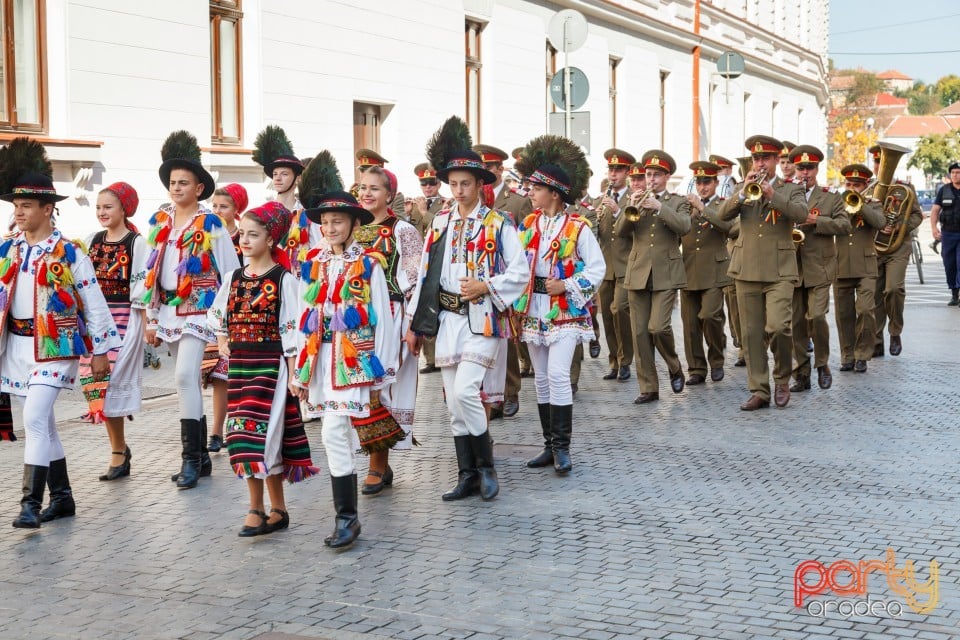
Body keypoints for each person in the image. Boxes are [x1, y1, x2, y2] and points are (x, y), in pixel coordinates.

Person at [405, 116, 527, 502]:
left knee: (466, 390)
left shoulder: (497, 223)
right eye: (453, 184)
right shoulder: (440, 222)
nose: (458, 191)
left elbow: (520, 270)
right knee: (453, 400)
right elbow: (426, 273)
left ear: (479, 185)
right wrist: (415, 324)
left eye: (465, 184)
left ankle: (488, 469)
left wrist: (486, 285)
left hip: (483, 318)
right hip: (447, 319)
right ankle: (467, 473)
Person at [0, 138, 120, 527]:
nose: (18, 213)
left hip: (56, 345)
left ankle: (30, 504)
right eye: (16, 206)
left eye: (26, 206)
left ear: (48, 209)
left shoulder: (70, 252)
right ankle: (63, 498)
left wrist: (100, 349)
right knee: (43, 423)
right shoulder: (9, 250)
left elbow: (94, 300)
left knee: (35, 417)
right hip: (16, 346)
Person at [295, 152, 400, 548]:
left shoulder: (369, 265)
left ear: (355, 224)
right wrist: (299, 368)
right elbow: (305, 312)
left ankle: (346, 518)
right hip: (320, 358)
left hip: (353, 358)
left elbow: (383, 322)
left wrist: (383, 372)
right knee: (329, 434)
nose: (330, 227)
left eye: (338, 220)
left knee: (336, 429)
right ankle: (347, 516)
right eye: (324, 221)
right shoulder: (313, 263)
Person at [208, 201, 319, 537]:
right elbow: (218, 314)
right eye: (242, 233)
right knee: (242, 436)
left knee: (262, 439)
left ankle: (262, 509)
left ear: (271, 239)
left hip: (270, 368)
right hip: (241, 367)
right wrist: (223, 336)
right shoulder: (233, 277)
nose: (244, 240)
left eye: (253, 234)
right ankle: (269, 508)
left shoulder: (284, 280)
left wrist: (295, 376)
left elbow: (292, 329)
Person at [143, 130, 241, 489]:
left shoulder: (210, 224)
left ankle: (190, 459)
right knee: (184, 382)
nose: (177, 188)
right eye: (172, 182)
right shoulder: (159, 222)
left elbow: (231, 273)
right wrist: (150, 316)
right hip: (167, 308)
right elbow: (151, 267)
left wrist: (223, 320)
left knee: (186, 375)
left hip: (200, 310)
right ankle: (199, 458)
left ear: (199, 188)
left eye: (184, 182)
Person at [512, 135, 604, 473]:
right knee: (540, 378)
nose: (530, 193)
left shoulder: (578, 227)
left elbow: (597, 268)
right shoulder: (529, 224)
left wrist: (565, 284)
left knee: (557, 373)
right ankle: (549, 446)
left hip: (564, 309)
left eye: (536, 188)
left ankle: (563, 448)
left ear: (553, 192)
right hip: (534, 307)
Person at [718, 135, 807, 410]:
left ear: (777, 161)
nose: (760, 163)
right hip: (746, 268)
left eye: (765, 158)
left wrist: (773, 195)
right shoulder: (744, 188)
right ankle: (759, 389)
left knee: (779, 326)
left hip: (779, 270)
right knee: (751, 333)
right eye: (756, 159)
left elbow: (801, 214)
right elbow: (722, 214)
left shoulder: (790, 188)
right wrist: (743, 193)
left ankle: (781, 377)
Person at [354, 164, 424, 494]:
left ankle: (377, 465)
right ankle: (376, 459)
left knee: (381, 386)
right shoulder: (350, 228)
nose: (366, 193)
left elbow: (415, 282)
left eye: (374, 188)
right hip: (357, 317)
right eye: (362, 187)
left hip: (392, 316)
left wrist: (414, 326)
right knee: (360, 385)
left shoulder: (402, 231)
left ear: (389, 195)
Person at [81, 182, 148, 481]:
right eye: (98, 207)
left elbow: (143, 285)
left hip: (124, 319)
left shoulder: (136, 243)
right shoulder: (91, 241)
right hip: (97, 323)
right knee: (98, 385)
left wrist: (149, 324)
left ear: (124, 208)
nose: (101, 212)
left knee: (111, 385)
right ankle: (119, 449)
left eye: (108, 206)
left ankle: (118, 453)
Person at [614, 150, 692, 403]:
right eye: (648, 175)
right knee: (639, 333)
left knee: (658, 327)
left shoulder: (676, 201)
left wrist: (660, 207)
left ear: (667, 176)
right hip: (637, 272)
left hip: (666, 273)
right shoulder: (635, 199)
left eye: (657, 175)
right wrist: (630, 206)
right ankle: (648, 387)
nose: (651, 180)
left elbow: (684, 226)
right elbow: (620, 232)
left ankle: (674, 366)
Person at [474, 143, 534, 417]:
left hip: (506, 280)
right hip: (476, 282)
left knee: (508, 340)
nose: (484, 171)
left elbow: (526, 243)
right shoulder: (472, 196)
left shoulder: (518, 201)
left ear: (500, 169)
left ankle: (510, 392)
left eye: (488, 166)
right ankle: (487, 397)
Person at [787, 145, 850, 393]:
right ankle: (801, 373)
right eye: (801, 168)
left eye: (809, 167)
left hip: (820, 267)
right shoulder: (786, 194)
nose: (805, 173)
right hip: (792, 267)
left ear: (817, 168)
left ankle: (822, 363)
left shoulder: (830, 196)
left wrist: (815, 220)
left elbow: (844, 226)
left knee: (816, 317)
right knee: (795, 324)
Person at [680, 162, 733, 385]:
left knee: (710, 315)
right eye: (699, 182)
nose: (702, 187)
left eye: (707, 182)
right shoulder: (684, 206)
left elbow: (728, 227)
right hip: (689, 268)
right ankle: (696, 368)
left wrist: (702, 208)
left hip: (714, 269)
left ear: (716, 183)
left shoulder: (723, 204)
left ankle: (717, 360)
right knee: (690, 324)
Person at [868, 145, 923, 356]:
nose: (880, 167)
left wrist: (901, 226)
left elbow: (917, 216)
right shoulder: (867, 188)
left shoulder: (905, 188)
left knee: (893, 289)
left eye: (884, 162)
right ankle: (877, 339)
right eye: (877, 162)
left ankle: (895, 331)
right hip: (874, 245)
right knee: (874, 295)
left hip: (898, 246)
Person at [206, 183, 249, 453]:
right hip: (212, 312)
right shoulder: (208, 235)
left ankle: (238, 426)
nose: (218, 211)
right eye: (215, 206)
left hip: (241, 311)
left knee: (236, 373)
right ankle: (215, 431)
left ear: (237, 209)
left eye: (224, 206)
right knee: (219, 375)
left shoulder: (245, 235)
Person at [834, 164, 886, 373]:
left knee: (865, 310)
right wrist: (846, 207)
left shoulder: (873, 204)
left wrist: (861, 204)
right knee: (843, 314)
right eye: (848, 184)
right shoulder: (837, 204)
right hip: (841, 264)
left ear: (866, 185)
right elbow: (835, 226)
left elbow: (880, 223)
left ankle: (863, 354)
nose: (852, 188)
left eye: (857, 185)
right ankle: (847, 355)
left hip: (866, 265)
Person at [252, 126, 318, 278]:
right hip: (268, 282)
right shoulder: (264, 211)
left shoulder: (307, 214)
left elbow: (317, 249)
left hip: (298, 280)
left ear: (298, 178)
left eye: (284, 174)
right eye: (275, 174)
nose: (277, 178)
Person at [596, 149, 636, 383]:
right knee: (607, 318)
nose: (613, 174)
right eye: (611, 170)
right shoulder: (599, 198)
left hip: (626, 263)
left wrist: (617, 210)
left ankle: (626, 360)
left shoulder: (633, 198)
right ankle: (613, 361)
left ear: (627, 173)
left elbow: (632, 228)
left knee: (619, 310)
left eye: (618, 170)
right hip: (605, 265)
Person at [408, 163, 446, 374]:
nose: (428, 188)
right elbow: (413, 233)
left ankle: (440, 355)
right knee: (424, 308)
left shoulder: (445, 203)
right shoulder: (415, 204)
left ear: (439, 184)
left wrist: (424, 212)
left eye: (431, 184)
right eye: (424, 184)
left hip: (438, 259)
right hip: (421, 262)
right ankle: (430, 359)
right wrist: (411, 214)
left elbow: (440, 228)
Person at [930, 162, 960, 305]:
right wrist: (934, 229)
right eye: (953, 172)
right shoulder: (944, 190)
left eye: (958, 172)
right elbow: (935, 210)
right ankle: (954, 293)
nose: (955, 175)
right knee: (950, 264)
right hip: (948, 233)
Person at [356, 149, 406, 213]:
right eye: (362, 170)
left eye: (371, 171)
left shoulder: (395, 195)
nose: (365, 174)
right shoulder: (355, 192)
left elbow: (398, 220)